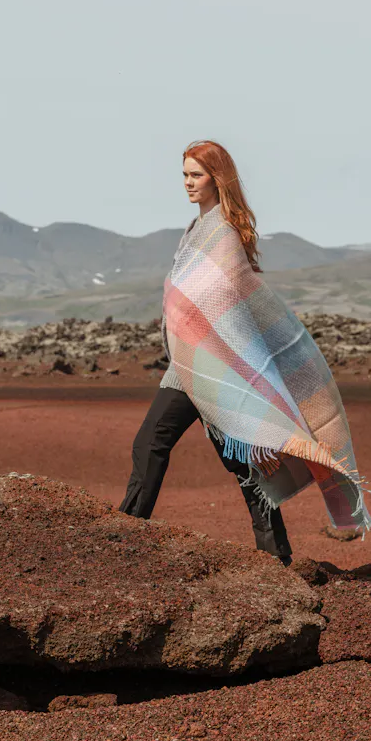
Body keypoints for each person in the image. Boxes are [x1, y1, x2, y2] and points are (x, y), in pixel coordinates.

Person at [119, 140, 294, 564]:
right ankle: (123, 539)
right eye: (184, 175)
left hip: (214, 366)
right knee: (151, 444)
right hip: (187, 365)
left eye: (196, 175)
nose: (187, 184)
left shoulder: (224, 232)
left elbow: (228, 301)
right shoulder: (197, 227)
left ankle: (277, 561)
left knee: (239, 463)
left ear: (218, 179)